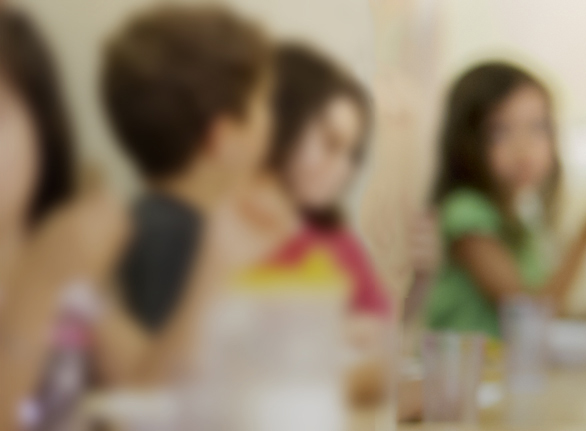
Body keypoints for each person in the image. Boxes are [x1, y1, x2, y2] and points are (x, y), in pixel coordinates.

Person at [102, 3, 277, 382]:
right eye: (264, 101)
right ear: (223, 136)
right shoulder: (181, 237)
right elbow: (177, 377)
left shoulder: (150, 222)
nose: (272, 119)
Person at [0, 6, 149, 430]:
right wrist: (41, 288)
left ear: (43, 128)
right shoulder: (51, 270)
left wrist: (216, 258)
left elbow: (146, 391)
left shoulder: (62, 269)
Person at [424, 62, 586, 340]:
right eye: (501, 131)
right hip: (465, 379)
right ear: (467, 141)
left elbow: (546, 302)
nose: (524, 148)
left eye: (538, 128)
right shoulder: (465, 214)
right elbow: (532, 313)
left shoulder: (519, 218)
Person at [265, 42, 392, 404]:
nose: (342, 169)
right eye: (330, 144)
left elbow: (380, 334)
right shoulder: (230, 231)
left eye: (352, 154)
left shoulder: (339, 242)